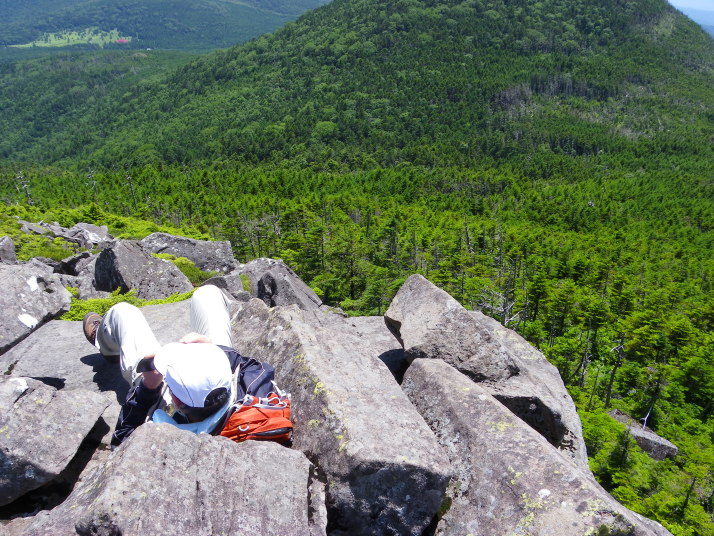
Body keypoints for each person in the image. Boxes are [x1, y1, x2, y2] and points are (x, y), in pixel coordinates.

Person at [82, 285, 245, 448]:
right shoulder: (252, 396)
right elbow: (252, 367)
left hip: (161, 399)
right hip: (226, 406)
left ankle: (105, 344)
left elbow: (121, 443)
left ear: (176, 401)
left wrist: (148, 388)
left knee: (123, 312)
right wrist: (214, 349)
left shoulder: (161, 432)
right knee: (208, 293)